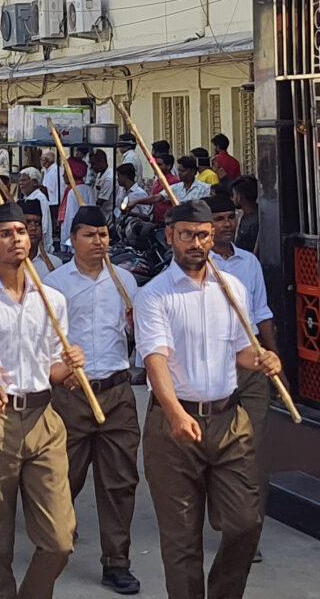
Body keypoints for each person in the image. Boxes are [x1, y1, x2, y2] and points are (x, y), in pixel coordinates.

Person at [134, 199, 281, 599]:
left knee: (245, 523)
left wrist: (262, 357)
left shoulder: (231, 289)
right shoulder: (153, 296)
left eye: (202, 235)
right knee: (181, 540)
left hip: (229, 419)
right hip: (174, 425)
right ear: (171, 237)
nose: (195, 243)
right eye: (186, 235)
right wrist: (175, 412)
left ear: (212, 237)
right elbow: (155, 362)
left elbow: (240, 351)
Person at [0, 203, 83, 599]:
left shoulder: (52, 299)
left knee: (60, 539)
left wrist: (73, 369)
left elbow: (53, 370)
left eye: (21, 232)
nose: (16, 239)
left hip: (45, 417)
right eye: (6, 234)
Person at [44, 206, 141, 595]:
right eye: (90, 235)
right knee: (64, 478)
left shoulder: (125, 280)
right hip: (72, 394)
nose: (99, 242)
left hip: (117, 391)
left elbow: (134, 333)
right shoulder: (54, 285)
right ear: (73, 238)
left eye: (104, 235)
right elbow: (45, 342)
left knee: (120, 481)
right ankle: (53, 545)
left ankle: (117, 561)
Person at [208, 192, 283, 561]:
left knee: (251, 446)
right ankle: (224, 517)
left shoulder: (249, 263)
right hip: (214, 364)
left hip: (251, 364)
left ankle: (248, 528)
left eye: (229, 217)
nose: (226, 224)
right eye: (218, 219)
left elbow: (262, 311)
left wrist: (273, 359)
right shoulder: (197, 265)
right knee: (219, 447)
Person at [129, 155, 210, 213]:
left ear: (193, 172)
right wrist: (136, 201)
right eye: (179, 170)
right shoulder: (176, 187)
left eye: (183, 171)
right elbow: (156, 198)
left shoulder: (205, 189)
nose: (180, 173)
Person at [59, 158, 96, 246]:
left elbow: (69, 218)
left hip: (73, 238)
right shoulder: (88, 189)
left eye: (65, 172)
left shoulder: (73, 192)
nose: (63, 175)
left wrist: (66, 240)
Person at [18, 166, 54, 249]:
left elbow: (44, 223)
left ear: (34, 182)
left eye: (24, 180)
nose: (21, 183)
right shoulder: (26, 198)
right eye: (20, 181)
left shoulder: (40, 198)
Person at [232, 175, 259, 252]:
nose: (232, 199)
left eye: (234, 194)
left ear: (239, 196)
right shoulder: (241, 215)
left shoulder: (253, 223)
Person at [89, 150, 114, 220]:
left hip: (107, 214)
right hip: (101, 213)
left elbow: (101, 201)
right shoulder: (100, 173)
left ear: (102, 162)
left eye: (93, 164)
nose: (92, 167)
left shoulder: (109, 178)